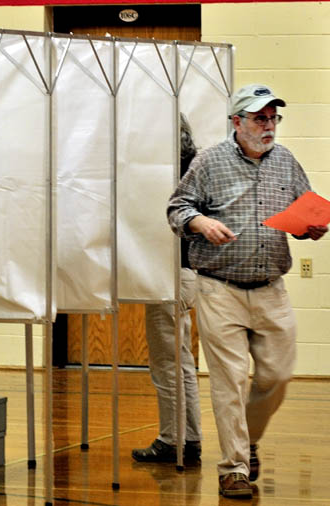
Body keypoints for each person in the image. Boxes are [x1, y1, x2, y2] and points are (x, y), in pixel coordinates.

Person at [166, 84, 328, 499]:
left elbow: (304, 206)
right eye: (260, 118)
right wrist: (199, 223)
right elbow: (177, 208)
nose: (269, 126)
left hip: (272, 287)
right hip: (220, 288)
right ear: (237, 122)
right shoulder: (208, 162)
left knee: (276, 376)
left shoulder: (286, 162)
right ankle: (233, 467)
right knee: (230, 381)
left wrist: (312, 227)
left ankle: (248, 441)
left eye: (274, 118)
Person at [132, 114, 202, 466]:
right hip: (188, 273)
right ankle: (189, 439)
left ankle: (172, 440)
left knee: (166, 363)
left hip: (168, 273)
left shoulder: (163, 174)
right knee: (182, 361)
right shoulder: (196, 165)